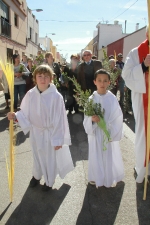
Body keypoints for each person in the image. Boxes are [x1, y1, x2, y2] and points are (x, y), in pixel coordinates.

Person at [7, 65, 74, 191]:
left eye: (46, 76)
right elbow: (24, 112)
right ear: (35, 78)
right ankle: (36, 176)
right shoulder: (31, 94)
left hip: (50, 133)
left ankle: (49, 181)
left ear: (51, 79)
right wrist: (15, 116)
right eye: (40, 76)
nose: (43, 79)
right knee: (37, 155)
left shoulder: (56, 97)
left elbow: (60, 120)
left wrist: (58, 139)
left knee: (49, 158)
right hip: (36, 131)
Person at [83, 69, 124, 188]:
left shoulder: (112, 99)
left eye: (105, 80)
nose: (102, 83)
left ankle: (108, 177)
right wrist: (92, 119)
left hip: (107, 133)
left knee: (108, 155)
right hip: (96, 134)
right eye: (99, 80)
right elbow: (86, 117)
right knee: (96, 154)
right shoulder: (91, 99)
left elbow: (118, 116)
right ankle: (97, 177)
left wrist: (109, 129)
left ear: (109, 82)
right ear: (95, 81)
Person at [122, 25, 150, 183]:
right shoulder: (135, 53)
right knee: (144, 131)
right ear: (147, 33)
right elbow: (126, 74)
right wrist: (144, 66)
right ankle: (143, 167)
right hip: (143, 98)